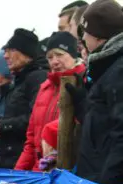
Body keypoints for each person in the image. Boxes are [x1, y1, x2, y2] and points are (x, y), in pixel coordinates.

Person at [15, 32, 85, 171]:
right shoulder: (44, 87)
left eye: (59, 54)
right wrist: (17, 174)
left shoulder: (83, 83)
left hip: (67, 172)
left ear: (73, 55)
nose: (54, 61)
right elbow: (31, 141)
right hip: (39, 172)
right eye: (50, 57)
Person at [72, 0, 123, 184]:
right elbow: (102, 123)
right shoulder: (106, 66)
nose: (83, 38)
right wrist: (82, 104)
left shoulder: (118, 70)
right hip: (95, 177)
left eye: (85, 32)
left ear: (98, 36)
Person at [0, 29, 48, 168]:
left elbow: (35, 120)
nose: (6, 56)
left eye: (11, 51)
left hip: (23, 162)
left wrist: (2, 126)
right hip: (11, 159)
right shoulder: (20, 79)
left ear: (25, 53)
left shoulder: (37, 77)